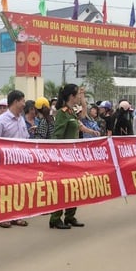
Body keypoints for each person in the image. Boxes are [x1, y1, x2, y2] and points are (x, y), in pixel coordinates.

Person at [50, 84, 99, 229]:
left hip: (74, 157)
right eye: (78, 94)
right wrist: (57, 155)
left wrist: (92, 132)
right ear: (71, 96)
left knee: (74, 187)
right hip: (63, 157)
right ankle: (55, 218)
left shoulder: (71, 112)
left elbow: (78, 125)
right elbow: (57, 135)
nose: (79, 97)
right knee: (61, 188)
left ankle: (70, 216)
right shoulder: (61, 113)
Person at [0, 90, 30, 228]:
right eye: (22, 101)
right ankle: (3, 216)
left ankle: (17, 216)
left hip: (21, 161)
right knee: (4, 189)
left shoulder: (21, 119)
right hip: (5, 162)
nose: (24, 104)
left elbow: (25, 138)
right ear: (15, 102)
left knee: (18, 188)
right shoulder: (0, 120)